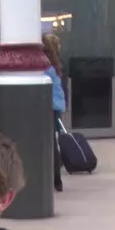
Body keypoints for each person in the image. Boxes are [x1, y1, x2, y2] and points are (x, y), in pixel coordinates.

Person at [43, 33, 68, 192]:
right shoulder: (54, 62)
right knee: (52, 141)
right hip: (56, 105)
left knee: (49, 143)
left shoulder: (43, 65)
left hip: (48, 106)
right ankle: (57, 179)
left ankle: (54, 178)